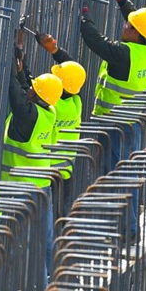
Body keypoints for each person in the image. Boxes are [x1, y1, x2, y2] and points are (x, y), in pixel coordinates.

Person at [79, 0, 146, 241]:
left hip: (114, 126)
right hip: (131, 124)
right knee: (127, 174)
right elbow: (136, 18)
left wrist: (84, 13)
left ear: (137, 33)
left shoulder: (123, 54)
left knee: (113, 176)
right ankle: (128, 228)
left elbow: (94, 40)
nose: (124, 25)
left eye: (129, 25)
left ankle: (122, 230)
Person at [1, 43, 63, 286]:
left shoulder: (28, 115)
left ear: (36, 97)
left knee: (24, 246)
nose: (29, 89)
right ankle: (49, 288)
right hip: (41, 187)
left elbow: (15, 91)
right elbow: (26, 88)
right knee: (44, 243)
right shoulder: (49, 111)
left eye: (33, 90)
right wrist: (21, 65)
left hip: (20, 190)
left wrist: (7, 59)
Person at [32, 32, 87, 184]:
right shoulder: (75, 101)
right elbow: (73, 72)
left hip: (48, 169)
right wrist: (54, 51)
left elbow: (29, 89)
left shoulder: (53, 104)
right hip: (66, 169)